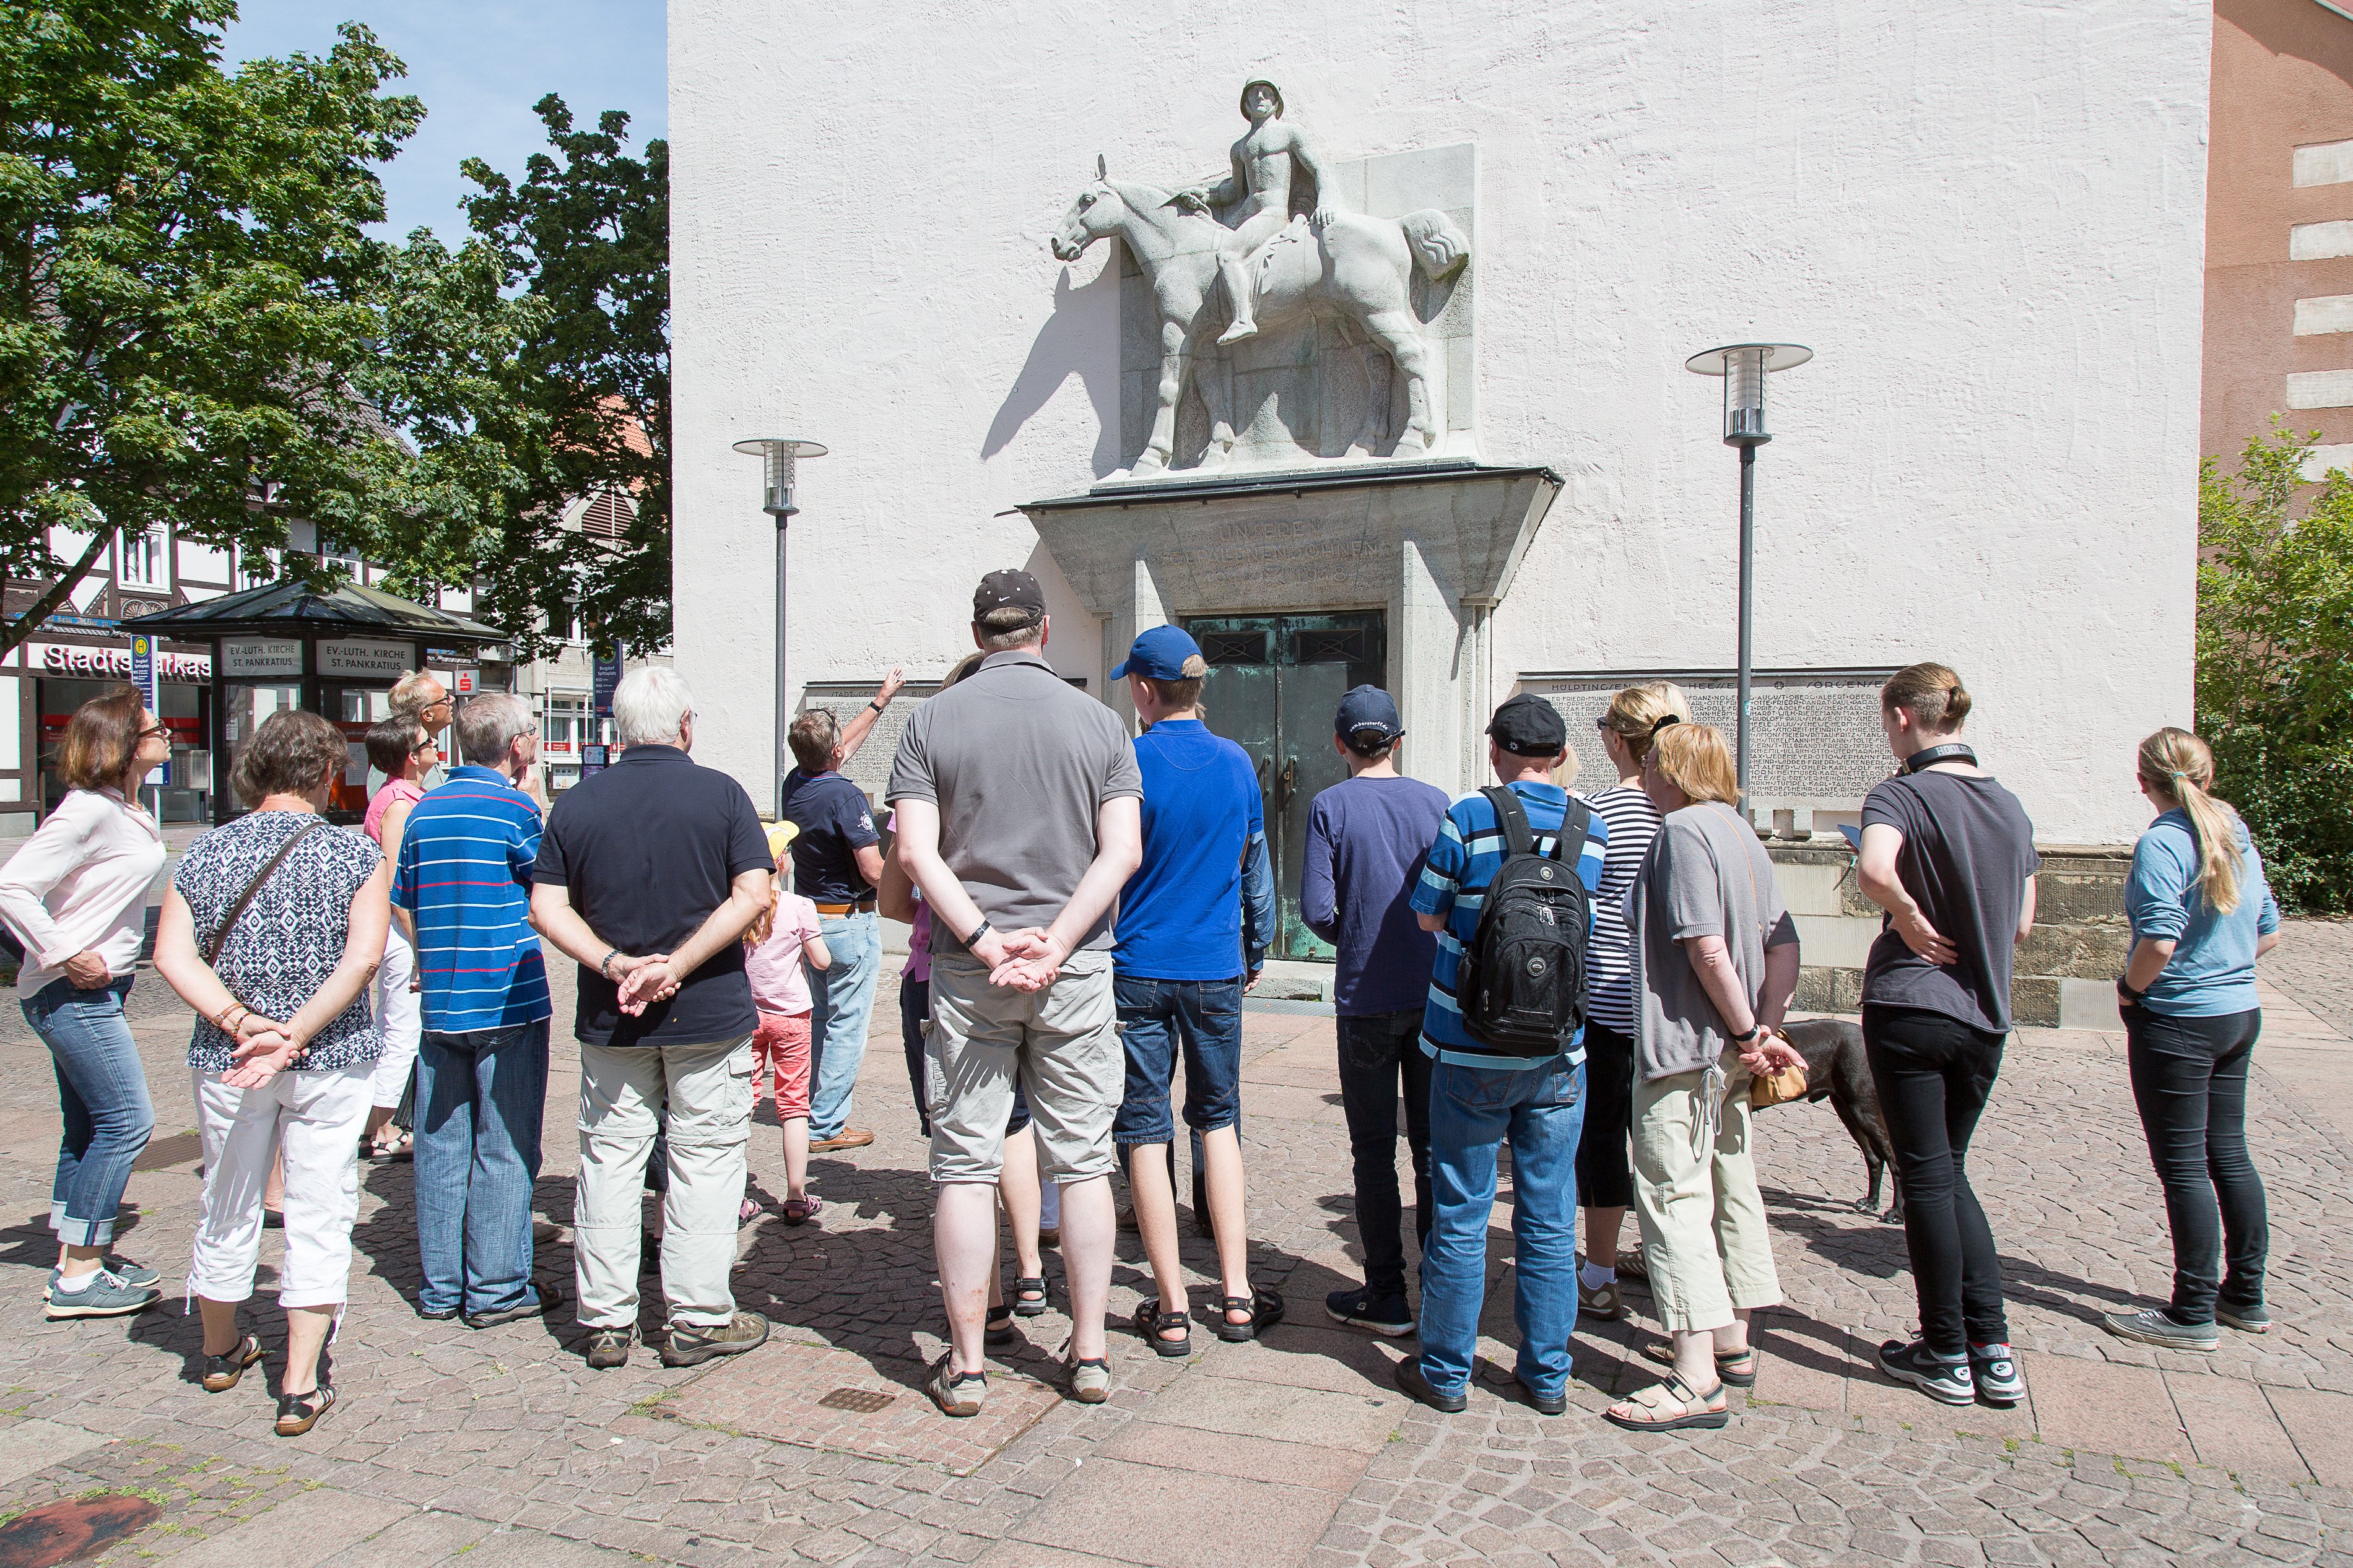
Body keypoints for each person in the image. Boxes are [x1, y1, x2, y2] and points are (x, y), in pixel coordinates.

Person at [887, 568, 1142, 1416]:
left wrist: (990, 942)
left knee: (964, 1164)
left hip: (971, 968)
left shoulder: (929, 721)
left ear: (976, 632)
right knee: (1082, 1162)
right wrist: (1058, 942)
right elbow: (1122, 854)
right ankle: (1093, 1350)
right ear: (1040, 633)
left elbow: (918, 856)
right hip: (1076, 965)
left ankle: (965, 1364)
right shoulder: (1101, 724)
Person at [531, 667, 775, 1373]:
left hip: (615, 1018)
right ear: (686, 725)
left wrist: (614, 964)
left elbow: (547, 908)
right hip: (708, 1011)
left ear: (614, 729)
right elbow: (750, 894)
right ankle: (696, 1317)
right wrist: (678, 963)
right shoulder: (722, 794)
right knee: (705, 1163)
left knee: (608, 1160)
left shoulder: (576, 804)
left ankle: (607, 1321)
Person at [155, 709, 391, 1437]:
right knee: (320, 1207)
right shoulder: (355, 857)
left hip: (231, 1058)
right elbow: (362, 959)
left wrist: (240, 1022)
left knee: (227, 1198)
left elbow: (173, 954)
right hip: (329, 1054)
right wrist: (295, 1033)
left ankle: (220, 1349)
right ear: (328, 774)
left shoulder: (205, 851)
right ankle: (297, 1382)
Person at [1393, 694, 1608, 1419]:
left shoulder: (1469, 816)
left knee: (1458, 1210)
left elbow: (1425, 912)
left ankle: (1446, 1371)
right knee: (1548, 1219)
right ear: (1560, 754)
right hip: (1556, 1056)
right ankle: (1546, 1374)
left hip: (1466, 1046)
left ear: (1495, 751)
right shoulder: (1592, 829)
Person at [1604, 719, 1804, 1434]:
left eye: (1654, 762)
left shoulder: (1682, 832)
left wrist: (1750, 1031)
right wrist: (1762, 1026)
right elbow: (1782, 940)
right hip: (1728, 1045)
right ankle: (1732, 1339)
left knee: (1671, 1194)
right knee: (1731, 1179)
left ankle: (1693, 1378)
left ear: (1674, 770)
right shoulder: (1741, 832)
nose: (1645, 773)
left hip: (1685, 1046)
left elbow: (1705, 947)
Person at [1854, 664, 2038, 1408]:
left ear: (1902, 717)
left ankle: (1942, 1349)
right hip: (1983, 1014)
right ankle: (1990, 1346)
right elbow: (2021, 924)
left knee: (1925, 1175)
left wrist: (1903, 913)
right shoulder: (2009, 806)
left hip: (1910, 1006)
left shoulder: (1898, 791)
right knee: (1949, 1171)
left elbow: (1872, 867)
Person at [1109, 625, 1279, 1356]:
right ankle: (1236, 1293)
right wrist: (1256, 944)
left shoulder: (1128, 760)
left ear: (1145, 689)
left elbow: (1107, 862)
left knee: (1143, 1124)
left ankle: (1172, 1303)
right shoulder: (1236, 761)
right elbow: (1255, 861)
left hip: (1139, 963)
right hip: (1213, 964)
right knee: (1218, 1116)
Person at [2104, 727, 2281, 1352]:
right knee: (2226, 1153)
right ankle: (2245, 1295)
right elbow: (2266, 930)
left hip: (2178, 1019)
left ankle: (2190, 1311)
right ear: (2206, 774)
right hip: (2237, 1011)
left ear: (2142, 780)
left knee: (2182, 1167)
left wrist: (2129, 990)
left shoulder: (2163, 841)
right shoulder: (2231, 834)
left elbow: (2158, 939)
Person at [0, 685, 170, 1319]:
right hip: (71, 991)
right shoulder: (87, 810)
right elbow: (12, 883)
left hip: (100, 987)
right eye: (153, 731)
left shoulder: (128, 810)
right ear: (122, 744)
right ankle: (78, 1276)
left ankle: (79, 1251)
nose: (166, 737)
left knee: (88, 1127)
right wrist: (61, 949)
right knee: (128, 1122)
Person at [391, 693, 557, 1328]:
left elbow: (404, 897)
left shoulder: (425, 809)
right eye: (534, 734)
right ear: (515, 746)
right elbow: (548, 886)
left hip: (442, 999)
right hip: (506, 996)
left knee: (440, 1146)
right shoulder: (515, 807)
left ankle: (441, 1287)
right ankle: (495, 1287)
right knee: (505, 1145)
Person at [1299, 685, 1448, 1337]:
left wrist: (1352, 935)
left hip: (1364, 996)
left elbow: (1315, 909)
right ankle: (1443, 1292)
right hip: (1428, 992)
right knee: (1431, 1148)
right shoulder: (1435, 803)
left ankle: (1385, 1292)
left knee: (1371, 1152)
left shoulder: (1329, 806)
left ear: (1338, 744)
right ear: (1396, 740)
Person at [1573, 682, 1691, 1321]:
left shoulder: (1597, 812)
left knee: (1602, 1138)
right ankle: (1662, 1256)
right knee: (1665, 1141)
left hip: (1608, 1001)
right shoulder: (1690, 806)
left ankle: (1596, 1272)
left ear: (1615, 740)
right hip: (1675, 1008)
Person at [780, 669, 907, 1153]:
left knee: (820, 1020)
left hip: (812, 920)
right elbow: (874, 870)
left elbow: (840, 745)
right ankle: (827, 1123)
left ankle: (812, 1105)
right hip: (847, 924)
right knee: (847, 1028)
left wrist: (879, 703)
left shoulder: (798, 781)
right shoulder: (845, 795)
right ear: (834, 753)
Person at [742, 821, 830, 1225]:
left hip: (746, 1016)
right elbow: (822, 960)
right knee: (794, 1104)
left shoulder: (738, 905)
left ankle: (734, 1196)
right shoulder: (799, 907)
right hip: (793, 1016)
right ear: (780, 862)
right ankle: (796, 1195)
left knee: (740, 1102)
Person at [359, 714, 434, 1161]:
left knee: (397, 1026)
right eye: (427, 742)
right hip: (401, 937)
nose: (434, 747)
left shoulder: (404, 795)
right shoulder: (401, 804)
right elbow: (395, 884)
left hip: (401, 935)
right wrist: (420, 947)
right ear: (411, 755)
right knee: (401, 1031)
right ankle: (374, 1128)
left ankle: (383, 1125)